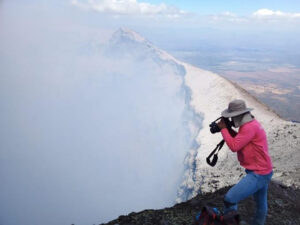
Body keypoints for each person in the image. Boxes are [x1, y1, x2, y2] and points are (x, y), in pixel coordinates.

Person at [217, 99, 273, 225]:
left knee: (230, 199)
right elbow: (241, 139)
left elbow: (234, 146)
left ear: (237, 115)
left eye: (232, 117)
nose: (231, 120)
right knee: (260, 203)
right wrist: (228, 129)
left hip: (258, 173)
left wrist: (224, 129)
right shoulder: (250, 124)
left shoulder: (248, 127)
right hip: (264, 170)